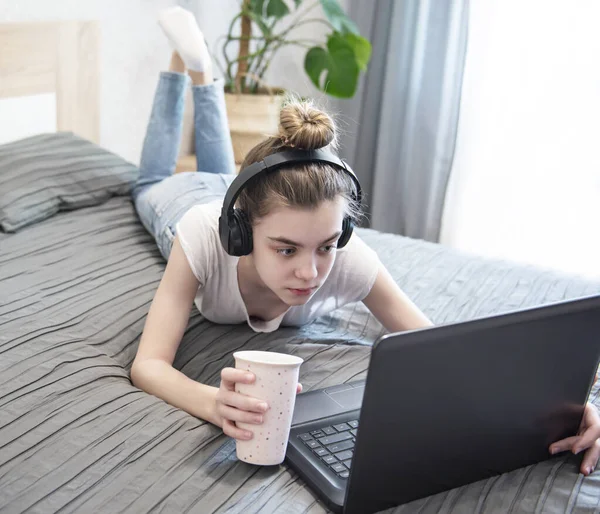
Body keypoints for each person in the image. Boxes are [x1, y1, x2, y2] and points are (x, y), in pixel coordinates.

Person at [130, 7, 600, 476]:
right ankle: (188, 67)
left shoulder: (350, 260)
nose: (311, 272)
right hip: (183, 199)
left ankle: (203, 72)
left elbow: (437, 347)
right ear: (240, 231)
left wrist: (557, 406)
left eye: (327, 245)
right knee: (150, 180)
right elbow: (148, 365)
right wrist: (213, 403)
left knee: (226, 176)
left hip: (243, 196)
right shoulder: (202, 235)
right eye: (286, 249)